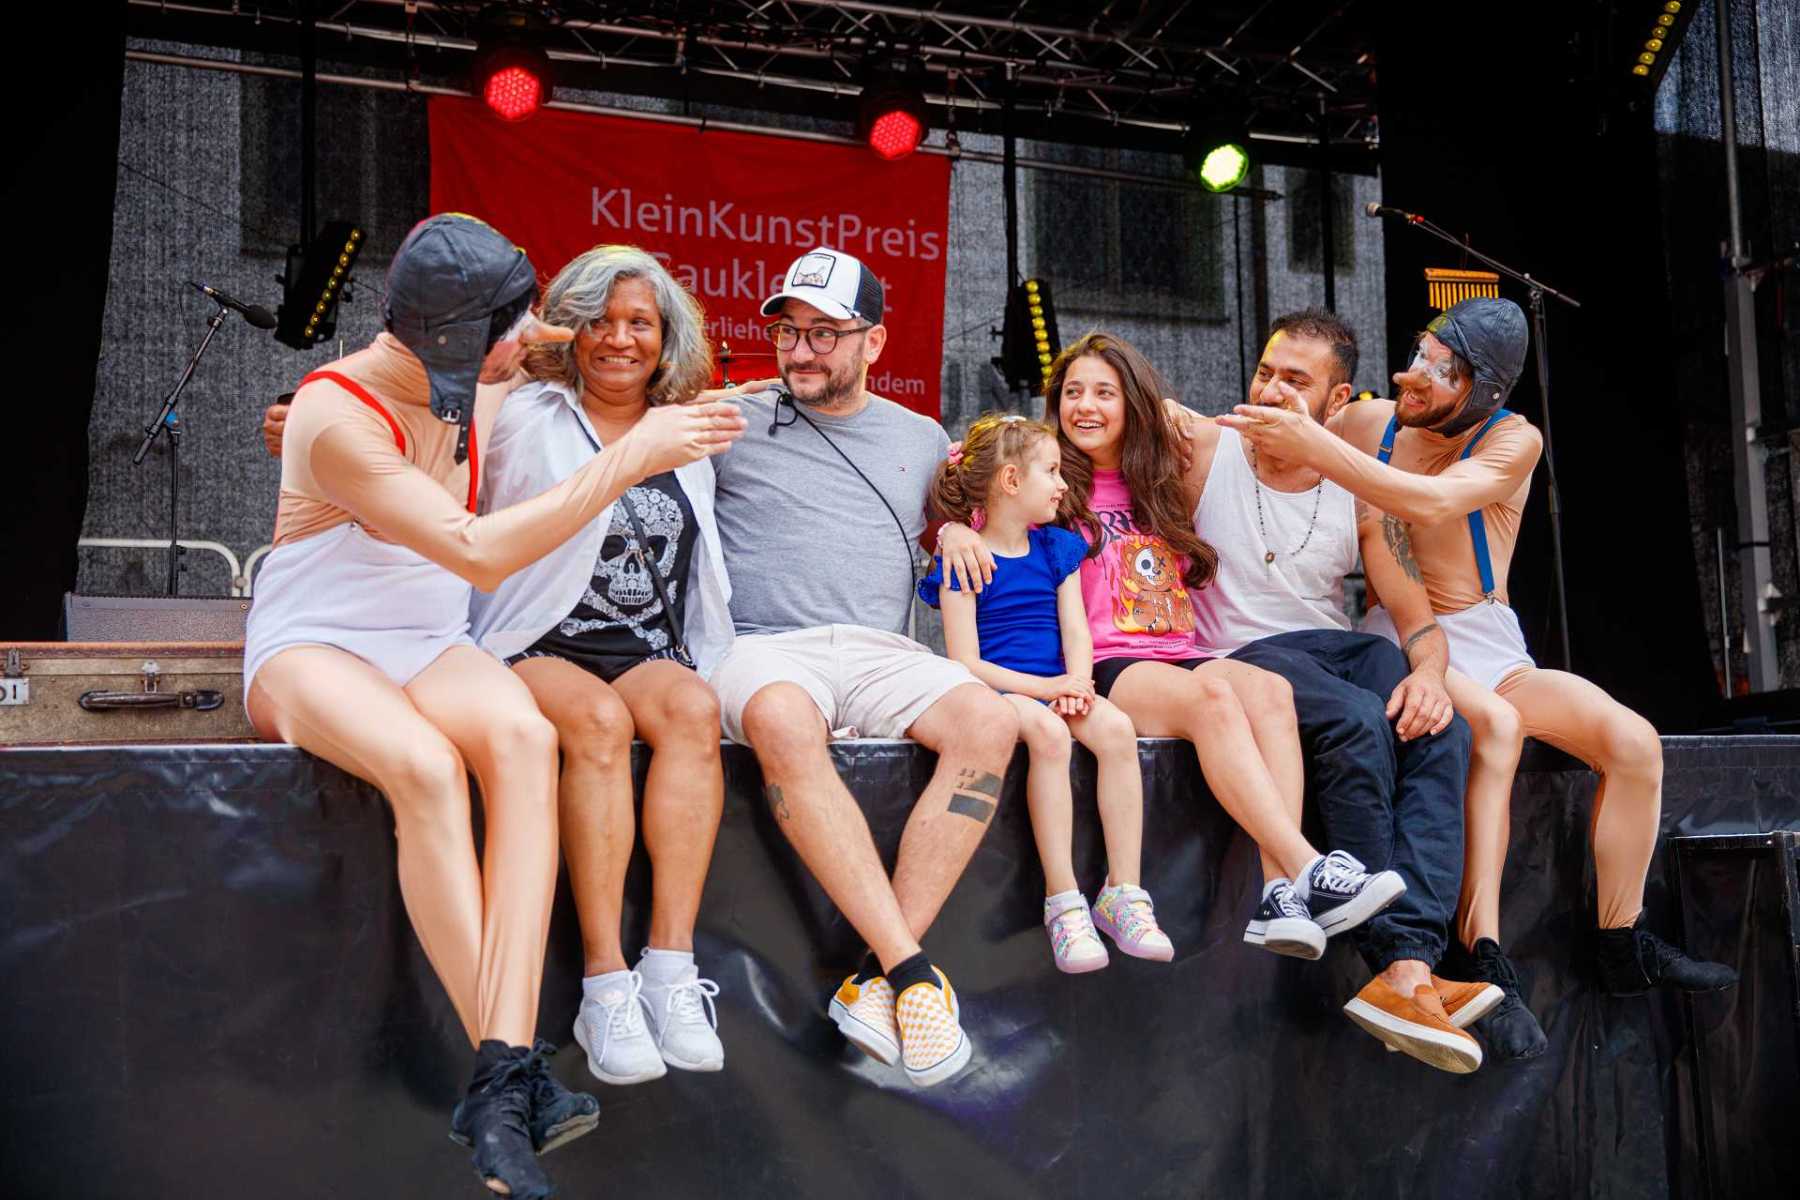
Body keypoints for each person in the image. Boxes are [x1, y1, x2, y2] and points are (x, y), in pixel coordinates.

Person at [244, 214, 745, 1198]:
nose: (531, 342)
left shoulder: (481, 363)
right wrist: (634, 455)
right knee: (427, 769)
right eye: (513, 329)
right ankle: (506, 1076)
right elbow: (477, 554)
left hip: (431, 642)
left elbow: (571, 335)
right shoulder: (337, 413)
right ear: (462, 337)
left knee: (522, 739)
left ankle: (504, 1079)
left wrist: (733, 390)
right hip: (317, 642)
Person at [1218, 296, 1737, 1061]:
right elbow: (1261, 443)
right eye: (1420, 355)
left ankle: (1621, 941)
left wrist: (1318, 446)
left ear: (1483, 389)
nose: (1415, 375)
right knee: (1494, 726)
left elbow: (1430, 499)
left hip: (1487, 634)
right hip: (1403, 633)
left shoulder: (1512, 438)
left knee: (1634, 743)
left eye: (1442, 370)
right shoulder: (1367, 421)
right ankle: (1482, 950)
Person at [941, 331, 1405, 968]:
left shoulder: (1163, 474)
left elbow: (1223, 437)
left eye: (1105, 393)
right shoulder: (1047, 483)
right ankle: (1306, 865)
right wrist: (950, 528)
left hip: (1181, 649)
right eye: (1073, 392)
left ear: (1133, 402)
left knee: (1272, 692)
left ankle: (1279, 895)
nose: (1086, 406)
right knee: (1211, 698)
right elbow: (970, 488)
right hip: (1109, 660)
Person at [704, 247, 1021, 1088]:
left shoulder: (920, 437)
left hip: (882, 651)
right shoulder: (730, 418)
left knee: (990, 720)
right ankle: (911, 973)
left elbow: (966, 512)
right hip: (763, 645)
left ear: (873, 342)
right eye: (789, 332)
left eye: (824, 334)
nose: (800, 351)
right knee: (778, 717)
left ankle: (877, 979)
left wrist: (955, 529)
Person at [468, 245, 770, 1087]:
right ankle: (604, 984)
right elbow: (444, 414)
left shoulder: (686, 431)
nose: (619, 338)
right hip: (536, 639)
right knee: (598, 724)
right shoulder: (527, 413)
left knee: (694, 711)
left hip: (645, 645)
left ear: (667, 337)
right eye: (598, 320)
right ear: (568, 328)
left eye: (640, 322)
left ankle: (670, 967)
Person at [1173, 310, 1493, 1073]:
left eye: (1295, 380)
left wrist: (1429, 676)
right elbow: (1105, 402)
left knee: (1444, 727)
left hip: (1335, 649)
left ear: (1337, 398)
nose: (1271, 390)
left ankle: (1411, 966)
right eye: (1266, 372)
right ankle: (1397, 969)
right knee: (1356, 719)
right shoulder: (1206, 448)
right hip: (1239, 657)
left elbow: (1418, 622)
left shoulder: (1357, 489)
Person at [920, 412, 1173, 973]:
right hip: (1001, 690)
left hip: (1060, 685)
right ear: (1011, 480)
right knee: (1049, 736)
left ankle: (1124, 891)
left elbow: (1076, 629)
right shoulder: (963, 559)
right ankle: (1063, 901)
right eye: (1052, 471)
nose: (1063, 484)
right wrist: (1047, 689)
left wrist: (1078, 683)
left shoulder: (1056, 548)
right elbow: (966, 662)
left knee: (1116, 729)